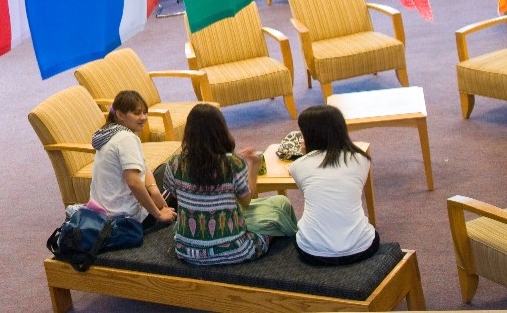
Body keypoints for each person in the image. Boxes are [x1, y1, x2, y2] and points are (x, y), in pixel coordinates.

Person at [162, 104, 296, 265]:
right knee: (279, 210)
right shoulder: (232, 163)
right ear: (221, 129)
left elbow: (176, 195)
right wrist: (253, 166)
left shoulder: (173, 163)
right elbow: (246, 201)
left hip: (187, 251)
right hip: (235, 250)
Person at [289, 105, 379, 265]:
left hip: (312, 253)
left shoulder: (297, 166)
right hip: (361, 249)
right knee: (371, 232)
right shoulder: (362, 160)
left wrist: (306, 155)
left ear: (310, 136)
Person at [89, 90, 176, 228]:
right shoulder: (126, 138)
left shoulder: (109, 132)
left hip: (104, 214)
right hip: (126, 218)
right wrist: (158, 214)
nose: (143, 117)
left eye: (144, 112)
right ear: (119, 114)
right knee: (176, 176)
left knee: (164, 170)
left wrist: (154, 191)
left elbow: (142, 164)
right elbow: (133, 182)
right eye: (137, 113)